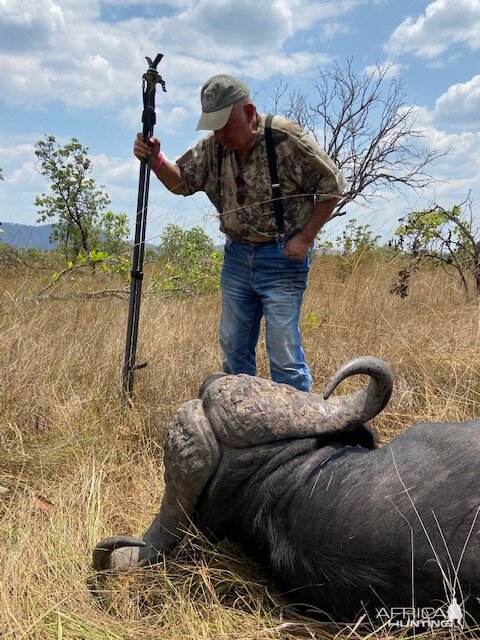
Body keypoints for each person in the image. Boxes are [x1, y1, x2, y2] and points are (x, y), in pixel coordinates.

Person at [134, 74, 346, 391]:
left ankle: (300, 433)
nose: (219, 134)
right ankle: (241, 426)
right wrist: (156, 160)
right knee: (234, 350)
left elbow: (333, 185)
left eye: (224, 124)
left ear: (248, 113)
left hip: (282, 258)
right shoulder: (214, 148)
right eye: (213, 126)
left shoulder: (285, 138)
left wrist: (304, 239)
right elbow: (181, 183)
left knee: (284, 353)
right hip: (236, 257)